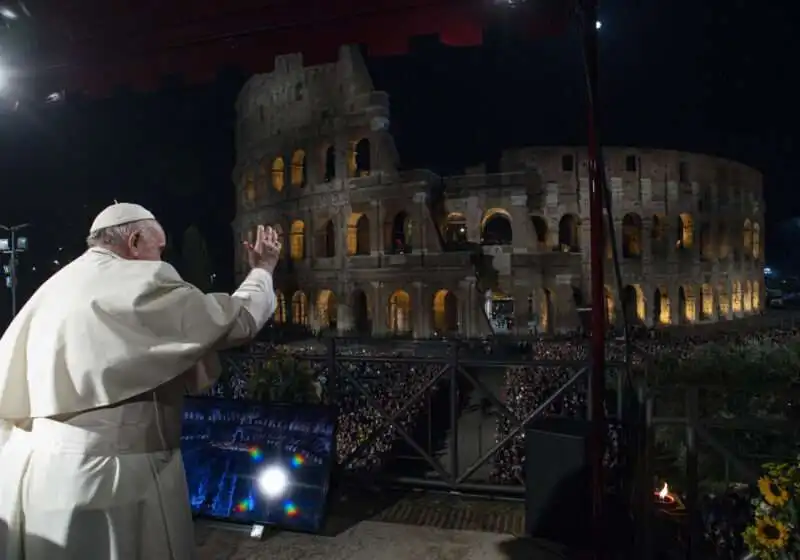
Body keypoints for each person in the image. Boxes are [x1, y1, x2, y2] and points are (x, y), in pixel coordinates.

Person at [0, 202, 281, 559]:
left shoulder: (53, 287)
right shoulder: (143, 281)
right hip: (116, 482)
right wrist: (263, 270)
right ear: (134, 241)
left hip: (39, 477)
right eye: (159, 248)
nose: (163, 258)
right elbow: (233, 320)